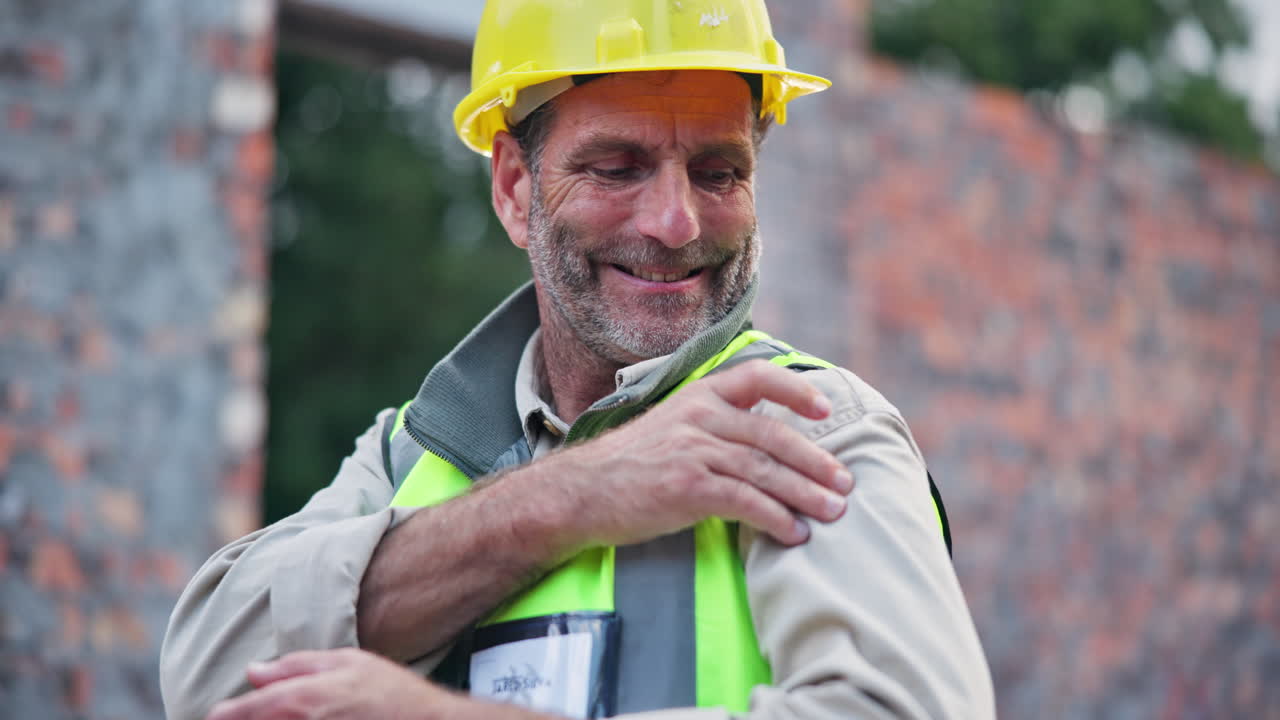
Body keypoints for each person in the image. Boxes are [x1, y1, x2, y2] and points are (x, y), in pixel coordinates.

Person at [161, 1, 995, 718]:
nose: (676, 221)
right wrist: (572, 496)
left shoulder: (809, 431)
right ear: (516, 190)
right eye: (617, 168)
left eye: (718, 172)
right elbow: (207, 674)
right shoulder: (418, 453)